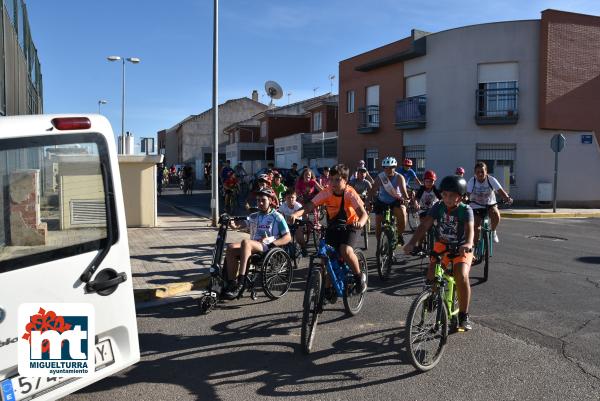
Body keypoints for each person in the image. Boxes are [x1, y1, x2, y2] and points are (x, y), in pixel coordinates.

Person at [404, 175, 475, 331]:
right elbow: (424, 226)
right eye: (444, 194)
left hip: (461, 247)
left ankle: (464, 315)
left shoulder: (466, 210)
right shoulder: (438, 206)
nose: (447, 198)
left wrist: (468, 244)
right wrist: (411, 243)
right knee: (432, 271)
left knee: (461, 275)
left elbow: (470, 230)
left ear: (461, 197)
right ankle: (431, 296)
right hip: (442, 245)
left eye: (451, 195)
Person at [291, 164, 369, 294]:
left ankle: (359, 277)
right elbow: (309, 206)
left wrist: (360, 223)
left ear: (345, 180)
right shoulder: (327, 192)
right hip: (334, 226)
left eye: (337, 180)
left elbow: (363, 214)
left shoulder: (350, 193)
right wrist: (295, 214)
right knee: (325, 258)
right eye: (331, 179)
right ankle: (327, 288)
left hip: (352, 225)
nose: (333, 183)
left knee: (345, 250)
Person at [224, 188, 291, 299]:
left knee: (246, 242)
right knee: (230, 247)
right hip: (253, 246)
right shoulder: (254, 215)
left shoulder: (277, 217)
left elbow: (288, 237)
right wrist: (232, 224)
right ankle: (232, 283)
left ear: (270, 200)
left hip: (267, 247)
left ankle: (241, 282)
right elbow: (241, 224)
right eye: (258, 200)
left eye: (263, 200)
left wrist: (272, 244)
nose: (260, 203)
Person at [466, 162, 513, 244]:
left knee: (496, 215)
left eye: (482, 172)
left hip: (490, 204)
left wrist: (507, 198)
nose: (480, 174)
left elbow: (501, 191)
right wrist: (465, 200)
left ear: (486, 172)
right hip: (476, 205)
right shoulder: (472, 181)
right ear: (475, 173)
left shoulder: (491, 180)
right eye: (478, 172)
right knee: (476, 228)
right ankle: (475, 248)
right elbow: (467, 194)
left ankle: (493, 231)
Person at [368, 156, 409, 246]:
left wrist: (406, 199)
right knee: (378, 222)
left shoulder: (399, 177)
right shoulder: (380, 177)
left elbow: (403, 191)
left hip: (395, 201)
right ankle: (379, 243)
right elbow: (372, 190)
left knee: (402, 212)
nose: (388, 170)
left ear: (395, 167)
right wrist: (367, 201)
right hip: (382, 201)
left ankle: (399, 235)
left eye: (391, 167)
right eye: (385, 168)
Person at [278, 188, 307, 256]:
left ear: (296, 198)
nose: (291, 199)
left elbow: (304, 215)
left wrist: (305, 222)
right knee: (281, 235)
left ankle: (303, 247)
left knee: (299, 238)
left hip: (298, 223)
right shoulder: (283, 206)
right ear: (285, 198)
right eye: (288, 197)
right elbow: (279, 215)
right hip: (287, 223)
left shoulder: (298, 206)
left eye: (292, 197)